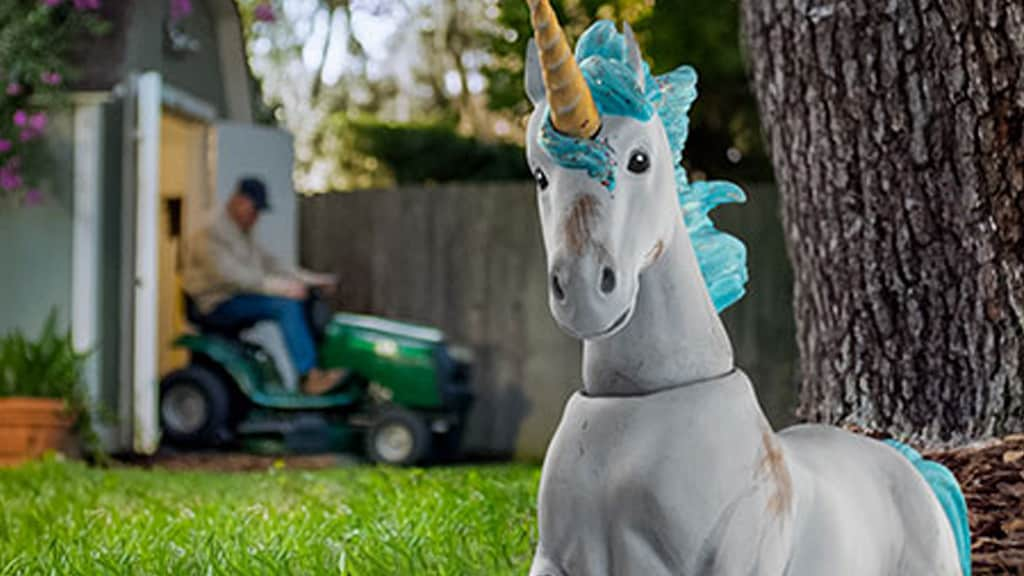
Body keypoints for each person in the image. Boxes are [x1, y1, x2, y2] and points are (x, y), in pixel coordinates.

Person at [182, 176, 342, 395]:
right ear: (239, 201)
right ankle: (309, 376)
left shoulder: (241, 232)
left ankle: (321, 370)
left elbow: (271, 263)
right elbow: (233, 276)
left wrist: (311, 280)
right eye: (254, 209)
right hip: (216, 304)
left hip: (236, 297)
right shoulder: (211, 231)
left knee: (304, 299)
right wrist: (281, 288)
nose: (256, 217)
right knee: (284, 305)